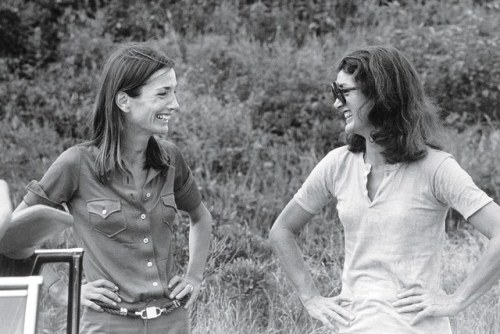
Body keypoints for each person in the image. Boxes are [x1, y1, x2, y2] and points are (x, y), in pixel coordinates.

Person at [269, 45, 500, 333]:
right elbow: (282, 231)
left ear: (380, 94)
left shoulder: (436, 168)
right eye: (334, 92)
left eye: (344, 92)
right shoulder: (337, 164)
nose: (336, 104)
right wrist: (310, 297)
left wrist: (457, 300)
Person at [12, 42, 213, 333]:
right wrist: (64, 291)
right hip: (107, 324)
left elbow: (201, 217)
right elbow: (12, 238)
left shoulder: (171, 159)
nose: (175, 104)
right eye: (163, 94)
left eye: (174, 91)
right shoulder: (75, 164)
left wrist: (194, 276)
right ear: (124, 101)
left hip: (173, 323)